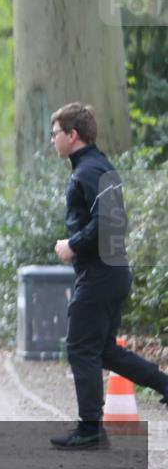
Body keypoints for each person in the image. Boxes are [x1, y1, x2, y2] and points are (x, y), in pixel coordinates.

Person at [47, 102, 168, 450]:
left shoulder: (89, 171)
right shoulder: (95, 168)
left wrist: (74, 244)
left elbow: (111, 223)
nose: (53, 140)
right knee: (102, 351)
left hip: (101, 273)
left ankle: (89, 430)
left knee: (80, 347)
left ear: (72, 135)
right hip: (110, 272)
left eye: (55, 134)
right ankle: (164, 385)